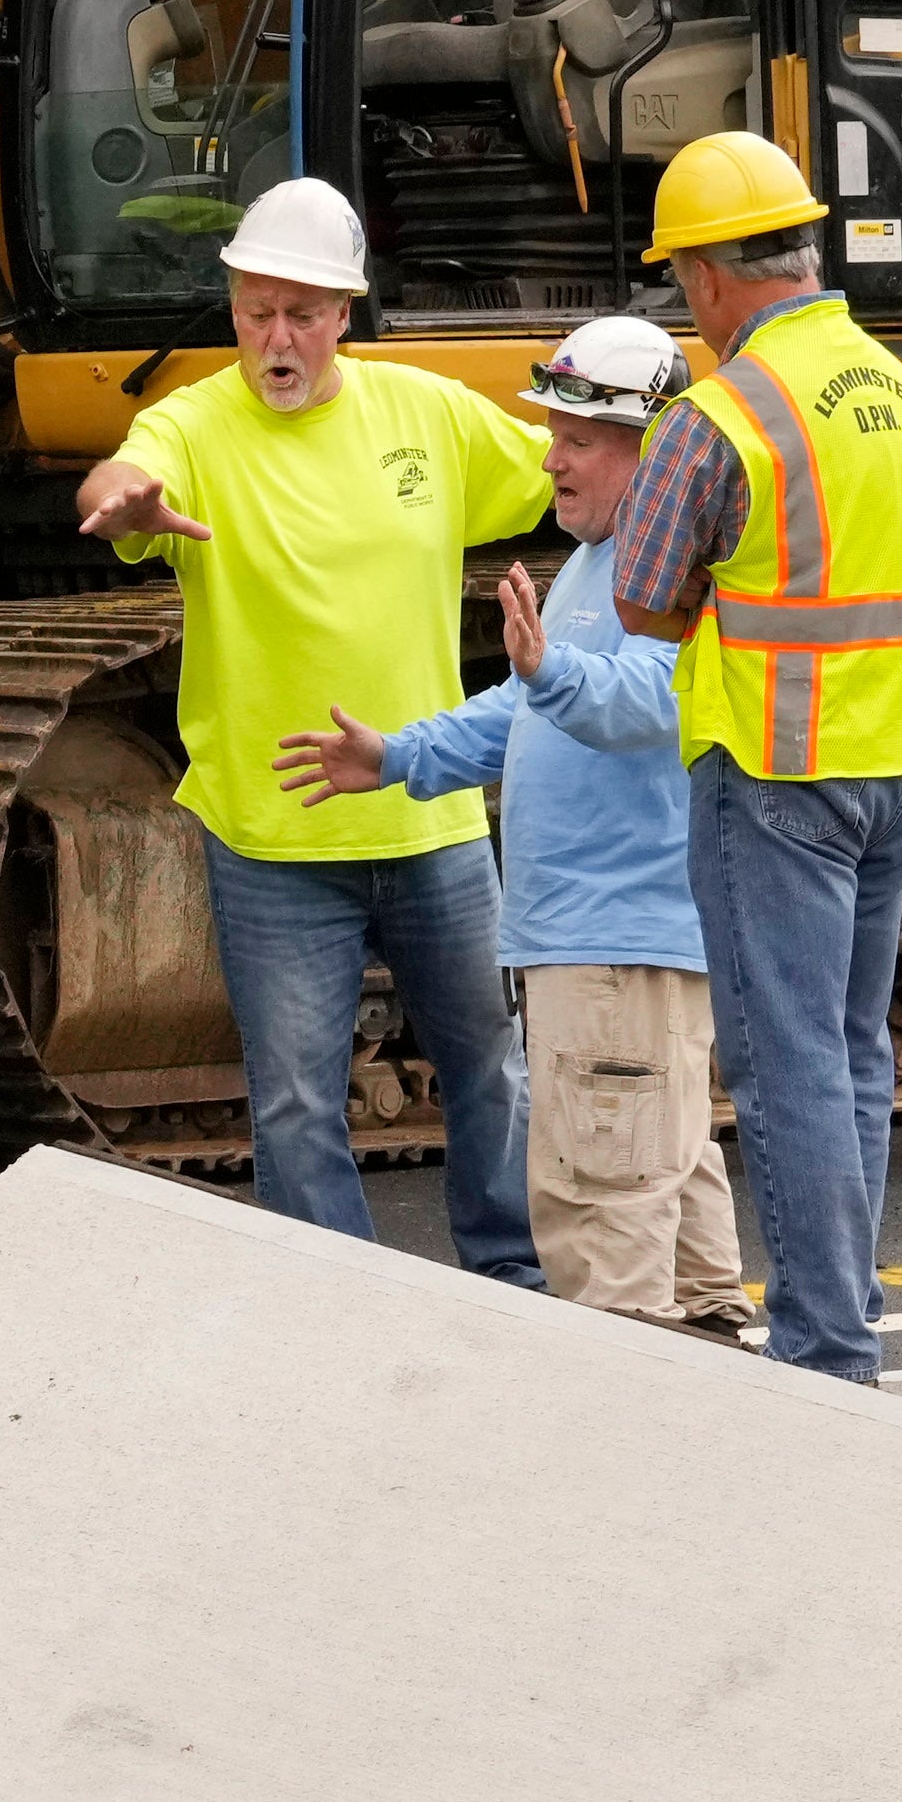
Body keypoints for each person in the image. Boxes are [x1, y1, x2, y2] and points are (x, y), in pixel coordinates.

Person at [75, 176, 552, 1265]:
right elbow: (121, 474)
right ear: (233, 306)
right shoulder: (190, 422)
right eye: (254, 312)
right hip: (274, 837)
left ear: (344, 313)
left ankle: (511, 1274)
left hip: (426, 820)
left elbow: (563, 473)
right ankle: (330, 1299)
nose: (274, 338)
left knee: (489, 1064)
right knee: (293, 1099)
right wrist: (120, 505)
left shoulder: (424, 415)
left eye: (299, 314)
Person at [270, 315, 747, 1336]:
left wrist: (547, 670)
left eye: (576, 437)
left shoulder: (667, 570)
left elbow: (650, 701)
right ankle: (707, 1377)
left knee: (600, 1211)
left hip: (613, 948)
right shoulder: (603, 561)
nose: (550, 457)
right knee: (661, 1177)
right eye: (552, 432)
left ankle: (614, 1452)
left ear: (649, 449)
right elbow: (528, 707)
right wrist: (398, 756)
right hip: (608, 945)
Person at [604, 130, 902, 1382]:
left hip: (776, 768)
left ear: (706, 277)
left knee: (787, 1062)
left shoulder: (719, 414)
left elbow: (641, 599)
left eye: (681, 283)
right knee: (852, 1053)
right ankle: (844, 1318)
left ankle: (824, 1354)